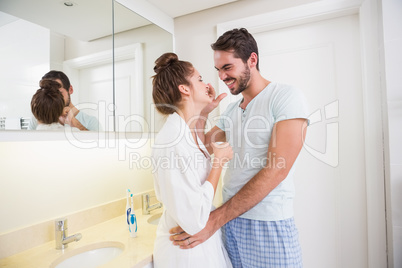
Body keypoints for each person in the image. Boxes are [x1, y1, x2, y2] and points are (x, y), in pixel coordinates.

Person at [169, 28, 310, 267]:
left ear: (251, 60)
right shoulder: (232, 110)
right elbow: (200, 146)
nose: (222, 77)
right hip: (231, 224)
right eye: (218, 70)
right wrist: (204, 112)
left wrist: (214, 220)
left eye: (227, 67)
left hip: (267, 225)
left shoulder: (285, 97)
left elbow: (278, 169)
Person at [151, 52, 233, 268]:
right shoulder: (172, 141)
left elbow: (198, 150)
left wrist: (205, 112)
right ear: (184, 89)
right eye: (199, 79)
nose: (206, 84)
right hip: (184, 253)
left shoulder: (184, 130)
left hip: (197, 249)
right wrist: (219, 162)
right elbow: (195, 219)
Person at [28, 70, 101, 131]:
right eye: (48, 93)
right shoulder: (37, 119)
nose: (53, 97)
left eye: (58, 92)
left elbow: (96, 145)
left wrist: (74, 122)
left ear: (70, 90)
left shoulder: (91, 122)